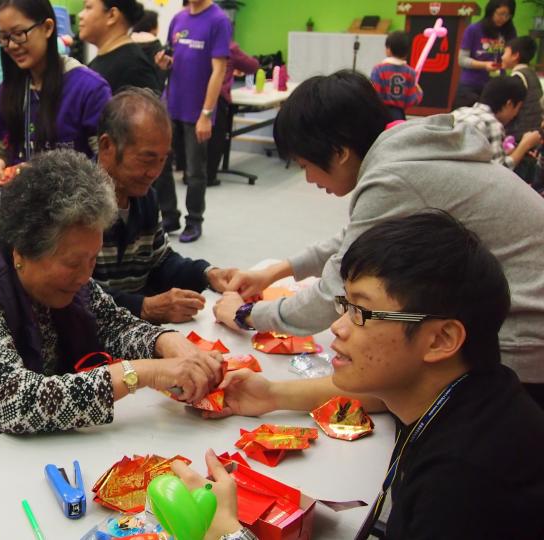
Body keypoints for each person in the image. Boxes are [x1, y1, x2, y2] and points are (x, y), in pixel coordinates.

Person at [0, 150, 225, 473]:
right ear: (22, 250)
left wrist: (167, 342)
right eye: (75, 263)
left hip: (12, 448)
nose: (87, 276)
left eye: (92, 259)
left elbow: (110, 320)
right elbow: (17, 402)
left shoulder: (56, 267)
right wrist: (142, 373)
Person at [213, 71, 544, 406]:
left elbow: (332, 294)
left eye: (305, 165)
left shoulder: (393, 176)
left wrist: (247, 315)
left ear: (339, 152)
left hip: (522, 338)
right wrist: (276, 271)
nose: (309, 178)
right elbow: (358, 237)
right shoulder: (404, 148)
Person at [214, 211, 544, 539]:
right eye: (345, 304)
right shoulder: (468, 389)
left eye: (361, 311)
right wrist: (271, 395)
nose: (337, 326)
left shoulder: (460, 485)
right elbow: (379, 393)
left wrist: (229, 533)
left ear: (441, 340)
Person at [94, 88, 235, 323]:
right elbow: (76, 293)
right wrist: (144, 307)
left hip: (133, 331)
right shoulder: (76, 205)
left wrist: (207, 273)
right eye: (147, 159)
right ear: (107, 147)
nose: (155, 172)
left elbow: (160, 261)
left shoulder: (145, 197)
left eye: (163, 160)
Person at [0, 0, 112, 185]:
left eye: (19, 34)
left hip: (77, 208)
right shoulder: (6, 92)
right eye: (4, 37)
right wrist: (0, 163)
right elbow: (2, 149)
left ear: (47, 28)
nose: (12, 46)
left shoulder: (89, 89)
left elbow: (106, 164)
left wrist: (45, 173)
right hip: (21, 209)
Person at [151, 0, 231, 242]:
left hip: (198, 110)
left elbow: (219, 71)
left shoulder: (218, 20)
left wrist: (206, 114)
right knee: (160, 164)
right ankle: (169, 214)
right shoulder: (178, 19)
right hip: (171, 105)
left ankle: (194, 220)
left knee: (195, 171)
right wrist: (164, 63)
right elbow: (173, 56)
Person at [450, 75, 542, 168]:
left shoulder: (459, 112)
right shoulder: (492, 124)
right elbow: (500, 170)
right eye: (518, 108)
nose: (515, 114)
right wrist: (525, 145)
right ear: (509, 104)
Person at [205, 40, 259, 187]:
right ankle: (209, 176)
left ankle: (189, 173)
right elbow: (252, 66)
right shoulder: (229, 47)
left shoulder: (199, 41)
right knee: (216, 137)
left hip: (193, 95)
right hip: (217, 96)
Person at [79, 0, 160, 94]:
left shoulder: (133, 67)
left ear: (112, 15)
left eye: (88, 7)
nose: (80, 15)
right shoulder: (102, 60)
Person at [454, 0, 516, 108]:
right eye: (500, 14)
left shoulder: (510, 31)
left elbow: (512, 56)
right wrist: (484, 65)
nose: (504, 18)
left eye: (508, 15)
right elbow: (462, 59)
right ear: (491, 11)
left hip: (496, 85)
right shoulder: (473, 29)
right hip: (470, 85)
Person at [500, 35, 544, 181]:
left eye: (505, 52)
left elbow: (509, 110)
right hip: (534, 135)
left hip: (520, 138)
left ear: (515, 55)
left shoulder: (518, 77)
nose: (502, 56)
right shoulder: (532, 74)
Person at [369, 30, 422, 122]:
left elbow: (374, 95)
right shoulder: (410, 72)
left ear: (388, 50)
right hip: (399, 116)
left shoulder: (378, 69)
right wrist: (419, 92)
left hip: (381, 114)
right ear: (406, 53)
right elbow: (411, 100)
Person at [130, 9, 166, 93]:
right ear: (154, 27)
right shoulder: (158, 49)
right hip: (149, 99)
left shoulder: (126, 46)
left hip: (126, 97)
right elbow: (160, 80)